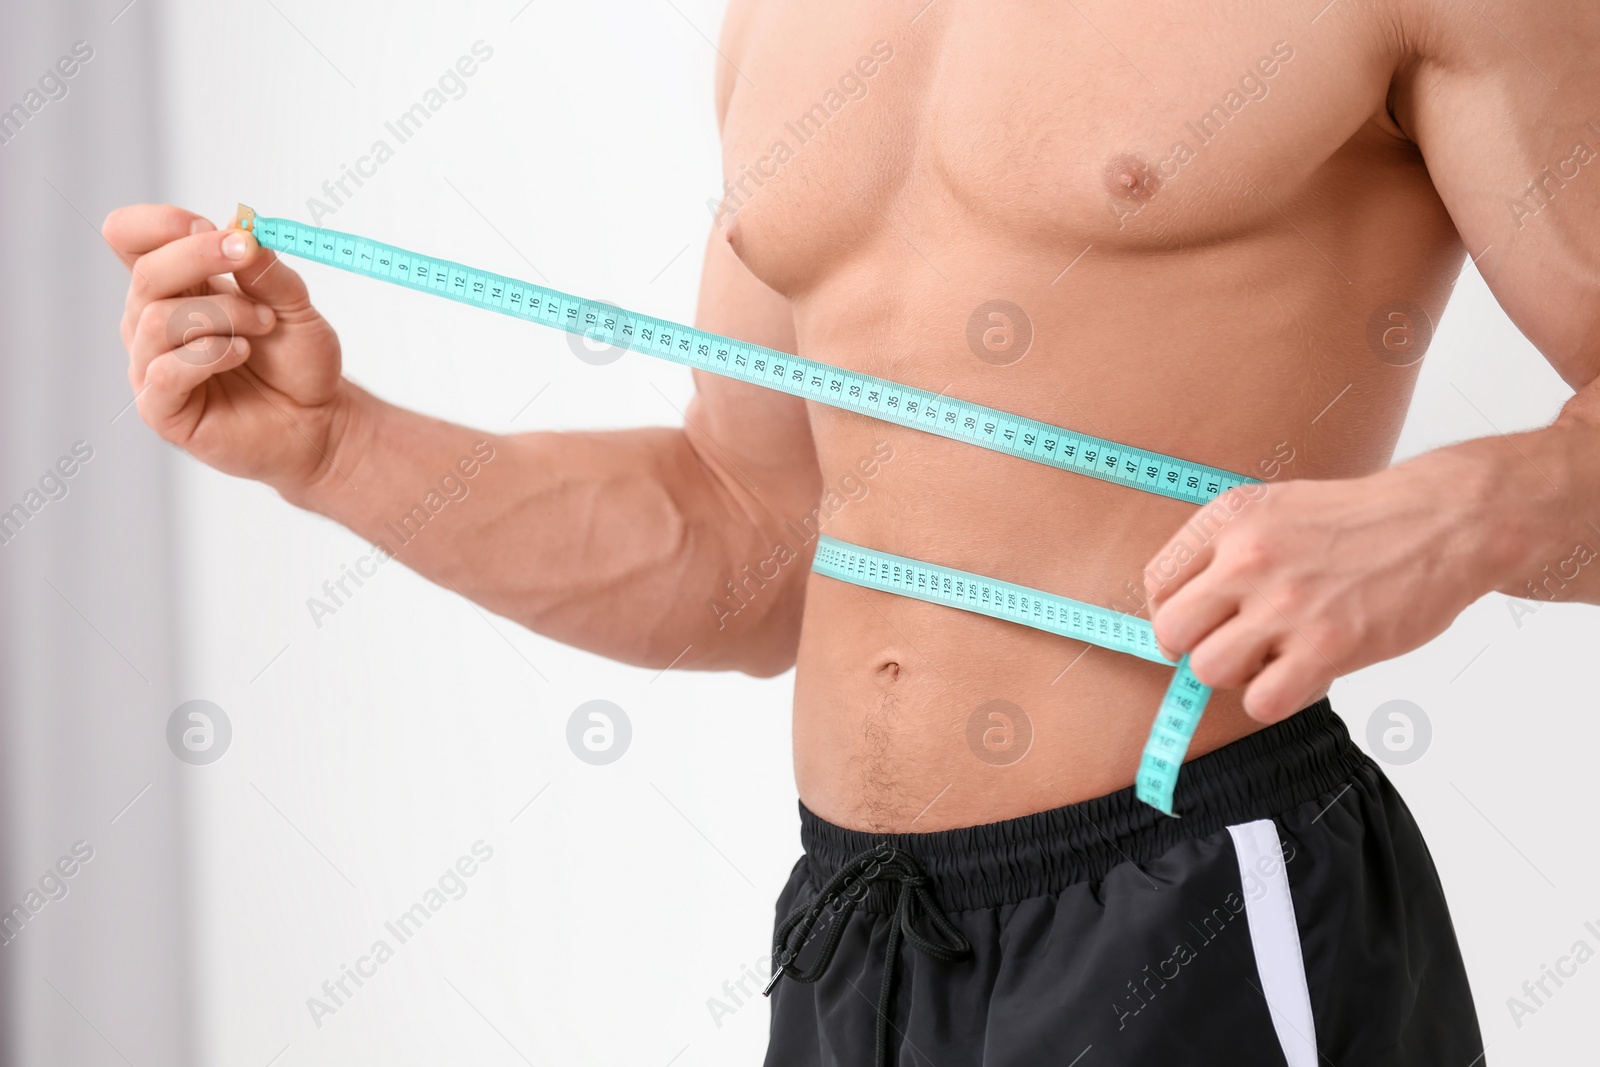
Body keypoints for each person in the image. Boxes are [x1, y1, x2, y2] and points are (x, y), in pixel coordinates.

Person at [105, 1, 1600, 1062]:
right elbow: (747, 541)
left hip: (1197, 895)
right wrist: (334, 448)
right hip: (853, 939)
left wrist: (1462, 515)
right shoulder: (791, 18)